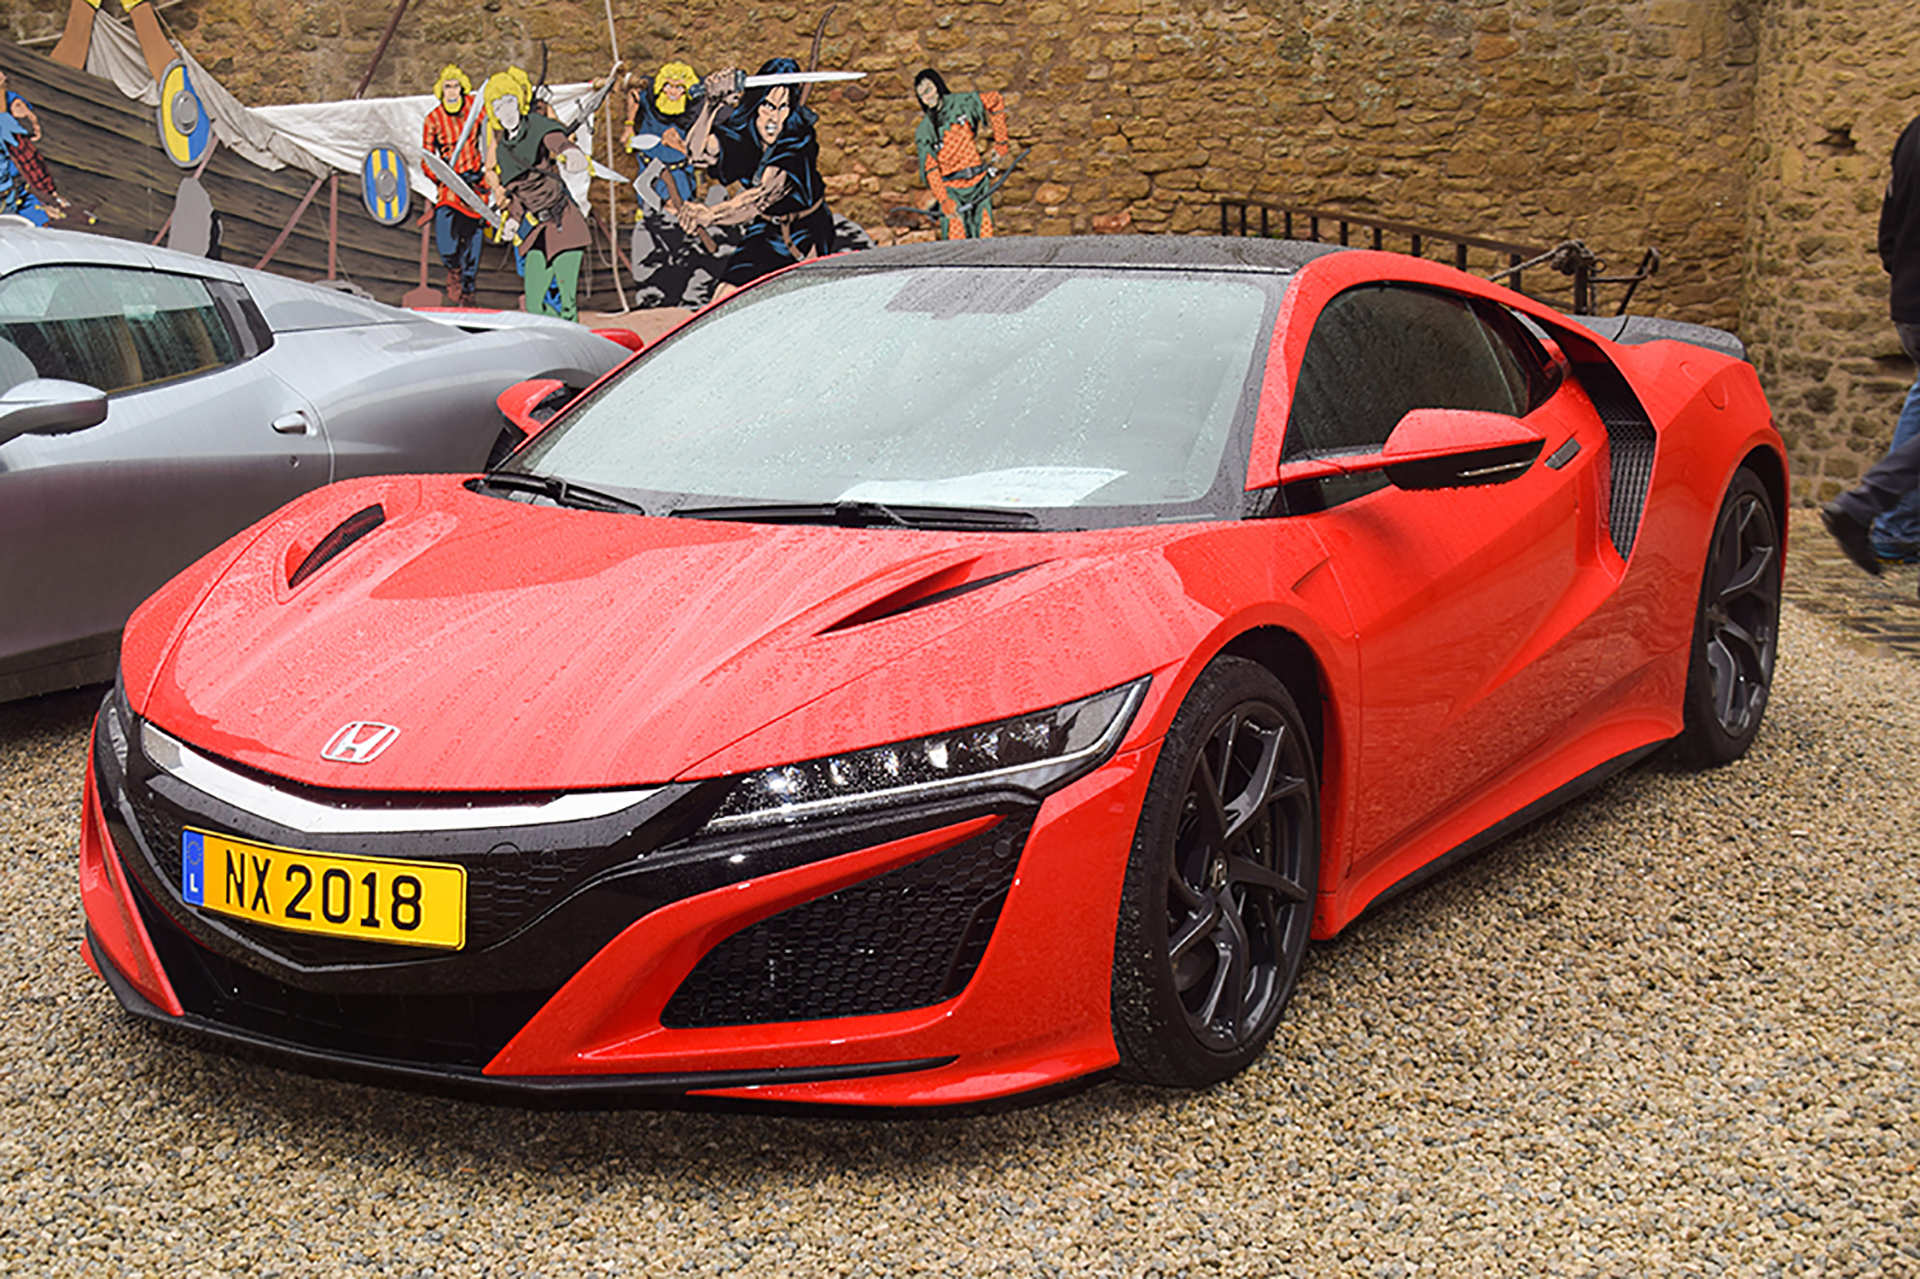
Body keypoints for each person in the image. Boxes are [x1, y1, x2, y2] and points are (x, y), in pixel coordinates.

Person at [1824, 110, 1920, 585]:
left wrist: (1903, 276)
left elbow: (1890, 225)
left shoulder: (1914, 132)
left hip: (1910, 302)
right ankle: (1866, 506)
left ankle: (1896, 529)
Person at [679, 58, 835, 297]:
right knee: (725, 296)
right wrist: (711, 106)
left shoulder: (798, 139)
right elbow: (696, 153)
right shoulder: (744, 132)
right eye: (768, 106)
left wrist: (711, 214)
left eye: (783, 107)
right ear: (756, 104)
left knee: (801, 301)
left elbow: (763, 197)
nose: (774, 119)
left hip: (805, 230)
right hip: (765, 228)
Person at [481, 67, 591, 322]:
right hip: (536, 229)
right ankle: (557, 331)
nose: (505, 111)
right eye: (498, 107)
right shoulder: (503, 149)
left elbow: (555, 139)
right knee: (534, 304)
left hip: (563, 223)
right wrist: (513, 219)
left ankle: (572, 338)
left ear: (518, 102)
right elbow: (518, 192)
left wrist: (570, 152)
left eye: (509, 102)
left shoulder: (536, 124)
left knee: (568, 303)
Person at [911, 68, 1010, 240]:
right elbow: (930, 168)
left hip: (979, 185)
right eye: (922, 95)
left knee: (985, 238)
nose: (928, 97)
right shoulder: (925, 130)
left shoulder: (962, 103)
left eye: (929, 89)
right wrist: (944, 200)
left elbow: (994, 100)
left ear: (938, 86)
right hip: (952, 192)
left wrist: (1001, 142)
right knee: (957, 244)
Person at [421, 64, 486, 306]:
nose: (452, 91)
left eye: (456, 86)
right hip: (449, 184)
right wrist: (440, 175)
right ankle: (454, 270)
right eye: (448, 87)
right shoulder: (433, 119)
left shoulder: (475, 109)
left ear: (462, 88)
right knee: (446, 242)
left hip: (474, 184)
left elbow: (493, 132)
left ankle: (468, 289)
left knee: (473, 240)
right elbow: (427, 157)